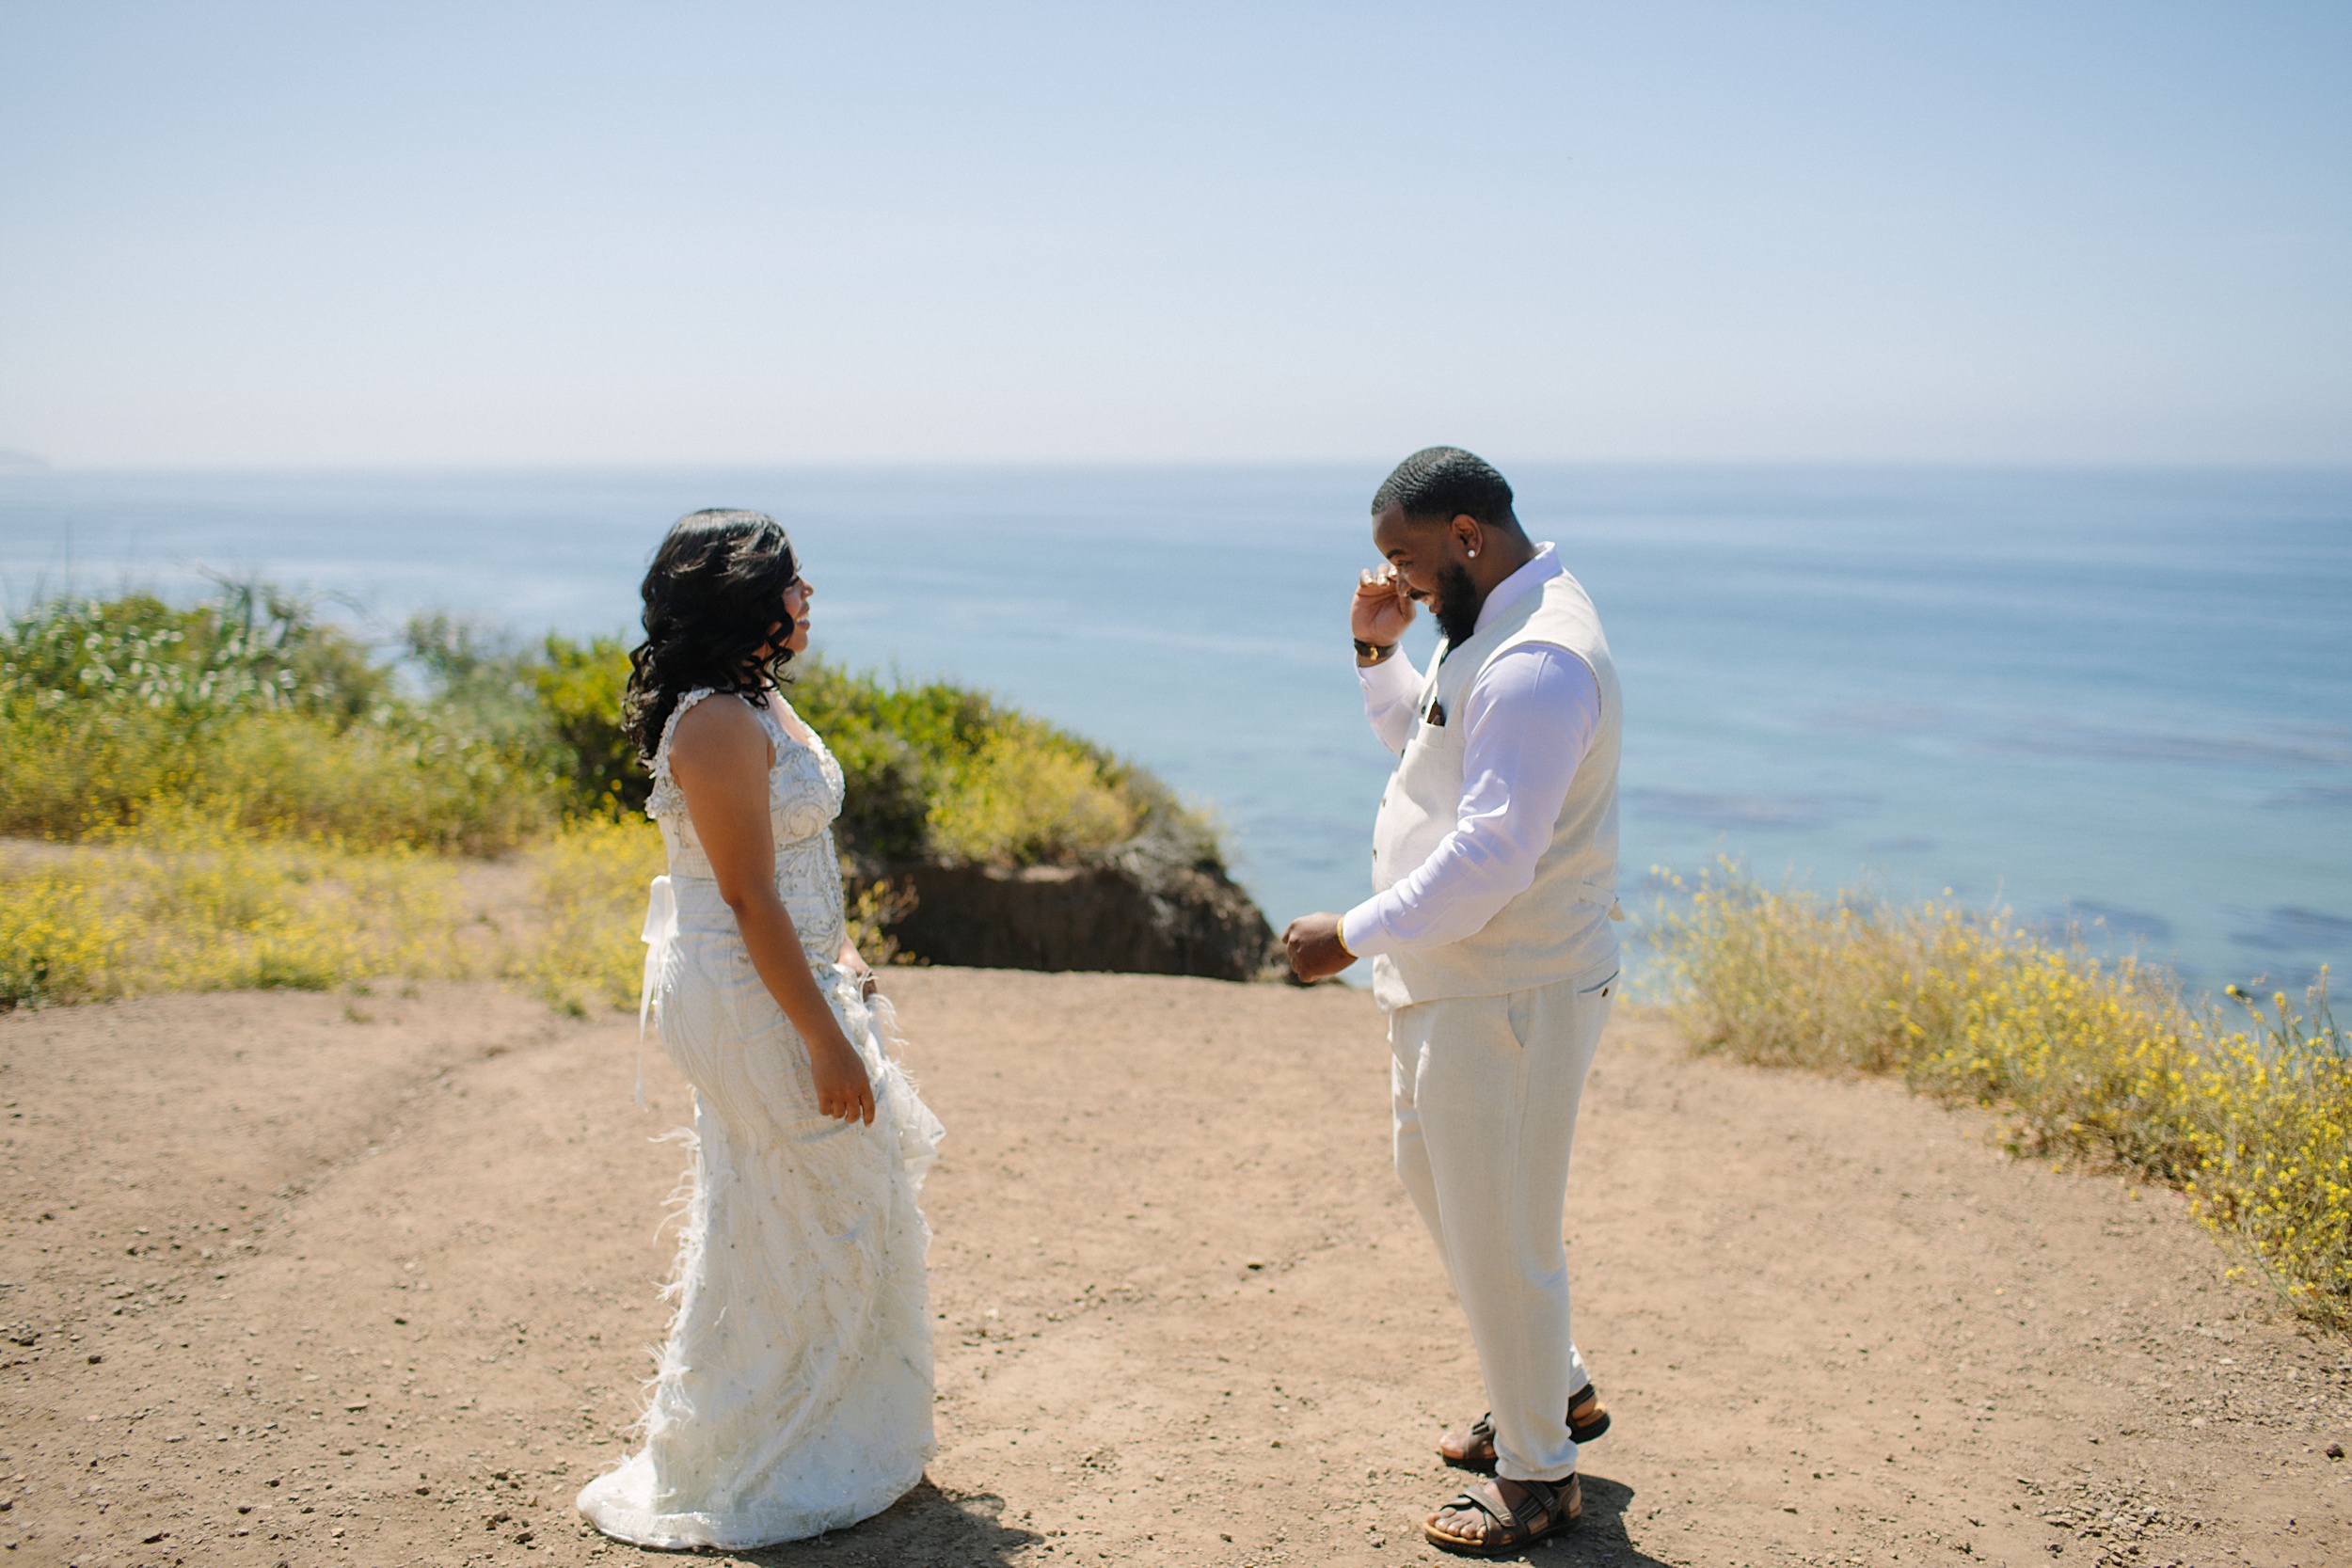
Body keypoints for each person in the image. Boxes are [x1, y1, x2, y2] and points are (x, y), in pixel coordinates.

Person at [577, 509, 944, 1551]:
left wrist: (843, 955)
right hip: (748, 988)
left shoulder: (757, 697)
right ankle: (757, 1451)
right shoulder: (715, 723)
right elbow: (744, 895)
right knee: (814, 1192)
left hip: (787, 969)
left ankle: (828, 1429)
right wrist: (824, 1035)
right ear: (745, 598)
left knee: (809, 1197)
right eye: (792, 583)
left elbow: (791, 872)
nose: (808, 596)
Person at [1284, 449, 1623, 1556]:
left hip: (1508, 993)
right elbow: (1426, 753)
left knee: (1505, 1227)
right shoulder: (1485, 635)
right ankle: (1555, 1385)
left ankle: (1537, 1475)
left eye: (1409, 559)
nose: (1402, 580)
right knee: (1444, 1187)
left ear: (1467, 535)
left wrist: (1349, 932)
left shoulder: (1536, 661)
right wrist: (1376, 652)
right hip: (1459, 986)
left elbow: (1490, 855)